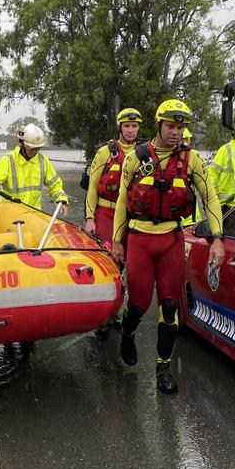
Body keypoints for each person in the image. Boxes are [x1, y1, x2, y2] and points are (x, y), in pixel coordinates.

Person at [111, 99, 225, 393]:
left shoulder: (192, 160)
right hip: (139, 239)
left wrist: (217, 238)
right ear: (159, 125)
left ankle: (163, 368)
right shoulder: (136, 158)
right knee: (138, 305)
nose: (176, 133)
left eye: (181, 127)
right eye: (171, 126)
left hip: (171, 240)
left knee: (170, 306)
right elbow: (123, 201)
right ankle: (128, 333)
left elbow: (210, 197)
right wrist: (117, 243)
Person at [84, 108, 143, 243]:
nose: (130, 130)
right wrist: (90, 219)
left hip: (132, 215)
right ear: (120, 128)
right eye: (126, 126)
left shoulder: (144, 153)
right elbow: (92, 187)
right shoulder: (104, 152)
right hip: (107, 211)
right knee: (108, 252)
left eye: (134, 126)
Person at [0, 123, 69, 214]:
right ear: (22, 144)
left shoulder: (43, 161)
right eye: (31, 148)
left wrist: (62, 201)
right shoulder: (8, 160)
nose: (34, 152)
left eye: (37, 148)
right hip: (9, 214)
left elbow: (55, 185)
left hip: (34, 215)